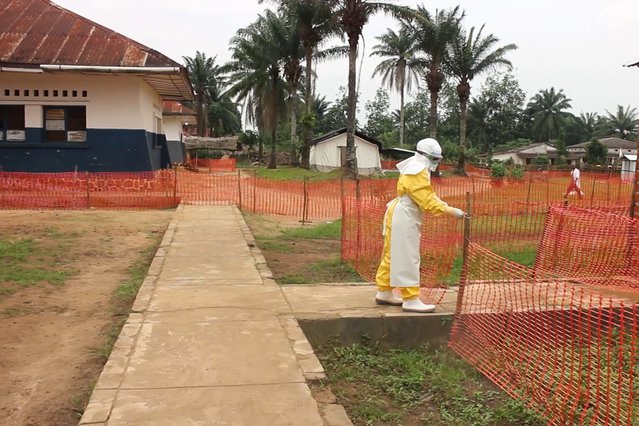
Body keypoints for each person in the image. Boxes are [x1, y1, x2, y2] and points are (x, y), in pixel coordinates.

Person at [374, 138, 465, 313]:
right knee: (408, 256)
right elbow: (426, 198)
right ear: (425, 155)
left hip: (400, 213)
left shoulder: (414, 166)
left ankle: (384, 291)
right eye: (434, 159)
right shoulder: (417, 170)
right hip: (404, 216)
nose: (436, 163)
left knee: (392, 254)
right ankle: (410, 299)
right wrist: (449, 210)